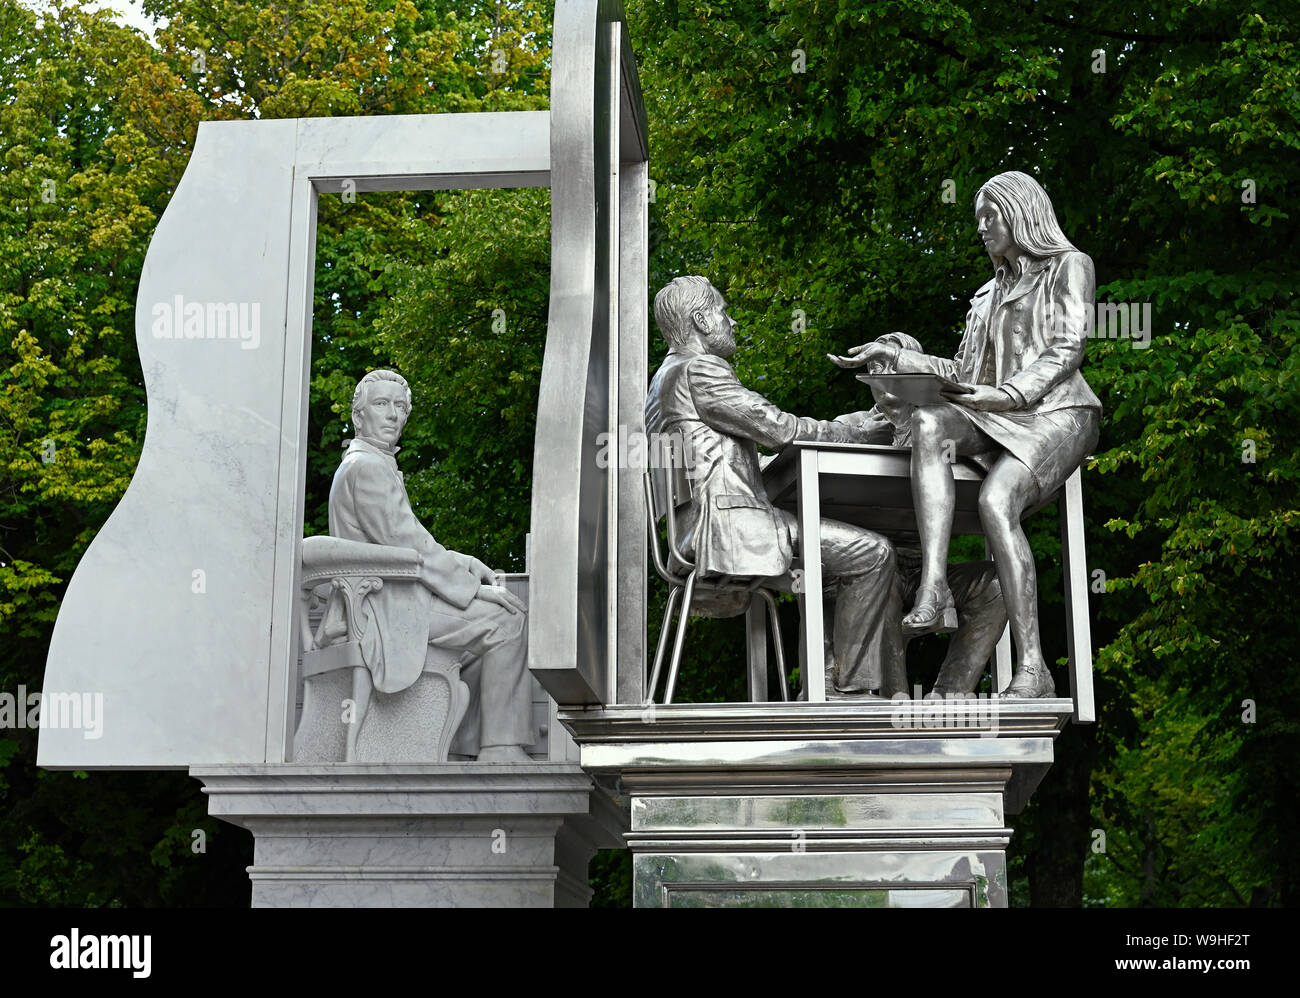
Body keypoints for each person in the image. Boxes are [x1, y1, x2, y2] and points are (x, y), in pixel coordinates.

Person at [832, 172, 1101, 697]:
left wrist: (1009, 395)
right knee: (929, 420)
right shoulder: (985, 296)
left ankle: (1034, 669)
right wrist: (896, 357)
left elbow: (1068, 349)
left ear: (1020, 213)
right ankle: (935, 586)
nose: (981, 228)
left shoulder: (1069, 266)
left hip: (1058, 413)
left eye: (989, 215)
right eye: (977, 218)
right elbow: (963, 369)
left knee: (997, 502)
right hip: (999, 413)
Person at [646, 275, 903, 697]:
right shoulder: (701, 369)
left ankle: (822, 686)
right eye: (724, 313)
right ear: (700, 320)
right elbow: (777, 427)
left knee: (820, 569)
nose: (732, 323)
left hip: (691, 530)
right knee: (873, 553)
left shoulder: (662, 381)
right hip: (726, 528)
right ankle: (851, 695)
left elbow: (719, 454)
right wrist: (853, 429)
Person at [328, 369, 534, 761]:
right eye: (382, 404)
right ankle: (500, 748)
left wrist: (465, 562)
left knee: (485, 633)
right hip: (387, 603)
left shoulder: (367, 463)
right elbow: (407, 545)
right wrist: (473, 587)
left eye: (400, 406)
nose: (392, 414)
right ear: (359, 417)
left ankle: (459, 748)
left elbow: (404, 541)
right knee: (507, 621)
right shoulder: (367, 468)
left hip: (392, 593)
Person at [838, 333, 1009, 700]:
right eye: (874, 369)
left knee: (998, 583)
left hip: (929, 572)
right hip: (880, 568)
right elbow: (820, 435)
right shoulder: (860, 427)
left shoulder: (949, 428)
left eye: (892, 365)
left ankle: (951, 694)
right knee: (877, 572)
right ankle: (894, 701)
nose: (883, 377)